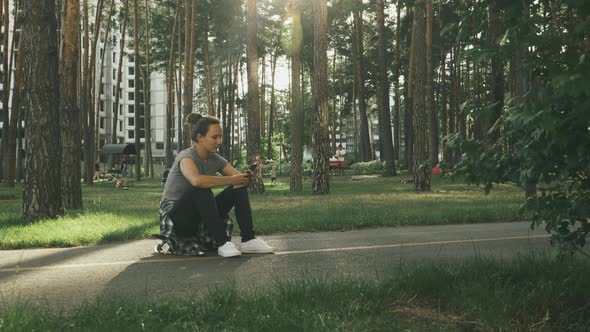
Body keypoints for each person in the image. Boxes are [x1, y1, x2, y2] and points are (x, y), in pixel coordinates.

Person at [158, 114, 273, 257]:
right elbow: (196, 181)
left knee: (238, 187)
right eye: (214, 137)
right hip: (177, 215)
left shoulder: (216, 159)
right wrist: (232, 180)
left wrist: (248, 176)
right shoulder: (186, 156)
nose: (219, 141)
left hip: (201, 212)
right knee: (201, 188)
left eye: (220, 137)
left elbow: (238, 181)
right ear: (200, 137)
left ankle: (248, 240)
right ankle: (222, 243)